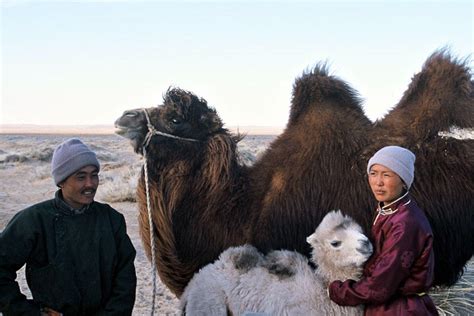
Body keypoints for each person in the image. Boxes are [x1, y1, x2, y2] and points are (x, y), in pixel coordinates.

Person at [0, 138, 137, 316]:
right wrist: (27, 311)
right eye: (81, 177)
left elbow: (125, 281)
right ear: (61, 181)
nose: (90, 184)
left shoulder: (112, 220)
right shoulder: (34, 221)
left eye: (94, 174)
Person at [329, 145, 438, 315]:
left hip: (401, 310)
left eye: (386, 174)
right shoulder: (388, 210)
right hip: (386, 307)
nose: (378, 182)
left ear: (403, 180)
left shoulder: (405, 224)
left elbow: (380, 285)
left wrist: (337, 290)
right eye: (373, 173)